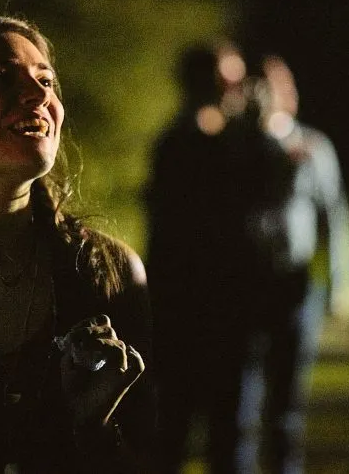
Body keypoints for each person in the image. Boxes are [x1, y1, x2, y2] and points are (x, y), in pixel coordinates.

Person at [0, 13, 154, 473]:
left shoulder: (110, 271)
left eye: (47, 80)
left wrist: (96, 426)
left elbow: (146, 454)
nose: (40, 94)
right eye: (1, 77)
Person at [145, 42, 295, 473]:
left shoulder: (189, 141)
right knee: (203, 428)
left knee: (205, 428)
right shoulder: (198, 145)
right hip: (205, 309)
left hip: (211, 309)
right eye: (230, 78)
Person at [233, 54, 349, 473]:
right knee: (241, 398)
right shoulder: (237, 146)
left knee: (287, 401)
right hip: (246, 279)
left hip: (294, 279)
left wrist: (340, 280)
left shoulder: (314, 146)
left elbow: (333, 214)